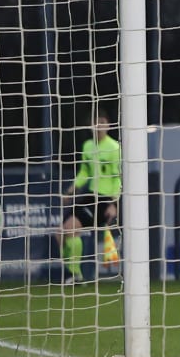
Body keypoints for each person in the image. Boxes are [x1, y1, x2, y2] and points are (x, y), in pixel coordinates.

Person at [59, 113, 122, 284]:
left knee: (70, 229)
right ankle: (74, 273)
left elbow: (118, 178)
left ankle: (75, 274)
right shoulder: (87, 146)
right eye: (95, 123)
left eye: (102, 122)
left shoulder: (114, 148)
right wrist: (71, 190)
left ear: (108, 125)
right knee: (60, 234)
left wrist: (113, 203)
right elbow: (84, 172)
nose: (99, 126)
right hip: (89, 196)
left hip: (104, 200)